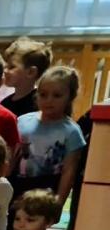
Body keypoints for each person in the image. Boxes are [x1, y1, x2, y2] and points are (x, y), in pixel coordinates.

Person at [15, 65, 85, 208]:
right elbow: (11, 158)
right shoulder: (22, 122)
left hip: (47, 191)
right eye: (43, 94)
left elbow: (69, 173)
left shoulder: (72, 131)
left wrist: (59, 204)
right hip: (18, 186)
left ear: (70, 97)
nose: (49, 100)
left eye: (57, 95)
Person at [1, 37, 51, 118]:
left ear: (31, 72)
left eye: (12, 67)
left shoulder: (41, 105)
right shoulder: (5, 104)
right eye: (6, 66)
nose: (5, 71)